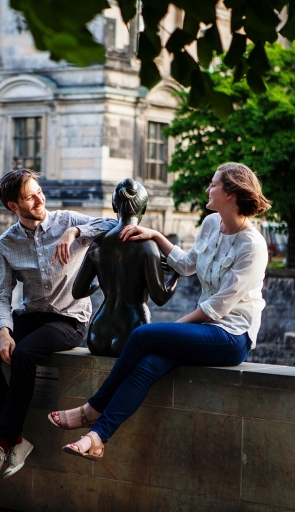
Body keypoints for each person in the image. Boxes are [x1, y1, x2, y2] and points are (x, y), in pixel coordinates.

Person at [50, 162, 271, 459]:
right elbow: (186, 264)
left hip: (232, 336)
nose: (208, 189)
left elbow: (217, 307)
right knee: (149, 365)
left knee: (144, 335)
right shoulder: (210, 224)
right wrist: (154, 235)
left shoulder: (253, 246)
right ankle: (97, 437)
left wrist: (174, 329)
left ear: (230, 194)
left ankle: (92, 408)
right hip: (205, 329)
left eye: (214, 184)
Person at [0, 169, 116, 479]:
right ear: (14, 206)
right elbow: (0, 296)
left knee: (24, 355)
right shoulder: (6, 243)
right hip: (31, 315)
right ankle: (17, 442)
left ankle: (1, 444)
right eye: (29, 197)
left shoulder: (66, 220)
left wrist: (76, 233)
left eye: (39, 191)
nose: (39, 199)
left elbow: (115, 225)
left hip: (69, 318)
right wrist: (4, 332)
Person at [69, 178, 179, 358]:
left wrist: (98, 283)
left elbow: (78, 291)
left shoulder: (97, 244)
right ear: (143, 209)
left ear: (114, 206)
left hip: (97, 331)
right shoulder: (147, 245)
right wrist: (176, 274)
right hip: (132, 328)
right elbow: (160, 297)